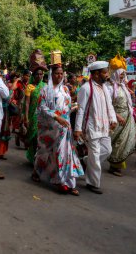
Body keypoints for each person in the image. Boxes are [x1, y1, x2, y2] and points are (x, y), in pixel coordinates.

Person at [33, 63, 84, 195]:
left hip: (65, 127)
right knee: (45, 152)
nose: (60, 76)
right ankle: (37, 171)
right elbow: (42, 107)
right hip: (50, 127)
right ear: (51, 74)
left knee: (65, 153)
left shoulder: (66, 89)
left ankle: (66, 183)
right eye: (57, 73)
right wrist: (57, 117)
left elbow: (65, 106)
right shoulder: (46, 90)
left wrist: (73, 108)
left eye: (62, 73)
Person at [74, 61, 117, 194]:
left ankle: (87, 161)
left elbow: (109, 105)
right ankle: (92, 183)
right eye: (105, 72)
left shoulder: (104, 88)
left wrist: (113, 119)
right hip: (91, 127)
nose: (107, 75)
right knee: (96, 153)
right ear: (97, 74)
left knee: (107, 150)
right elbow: (80, 110)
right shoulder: (86, 88)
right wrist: (78, 128)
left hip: (104, 127)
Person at [106, 68, 136, 176]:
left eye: (124, 74)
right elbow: (108, 105)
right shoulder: (109, 88)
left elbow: (129, 103)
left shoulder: (123, 87)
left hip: (127, 116)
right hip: (117, 118)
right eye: (121, 74)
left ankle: (118, 164)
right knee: (117, 142)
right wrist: (117, 116)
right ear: (115, 74)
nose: (123, 76)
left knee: (124, 141)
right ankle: (113, 165)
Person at [24, 68, 46, 163]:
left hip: (43, 116)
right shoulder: (30, 87)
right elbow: (27, 103)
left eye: (41, 74)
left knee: (40, 138)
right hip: (33, 116)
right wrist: (26, 117)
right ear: (34, 76)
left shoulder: (45, 86)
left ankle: (39, 159)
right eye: (37, 74)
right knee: (34, 138)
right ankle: (33, 157)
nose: (39, 76)